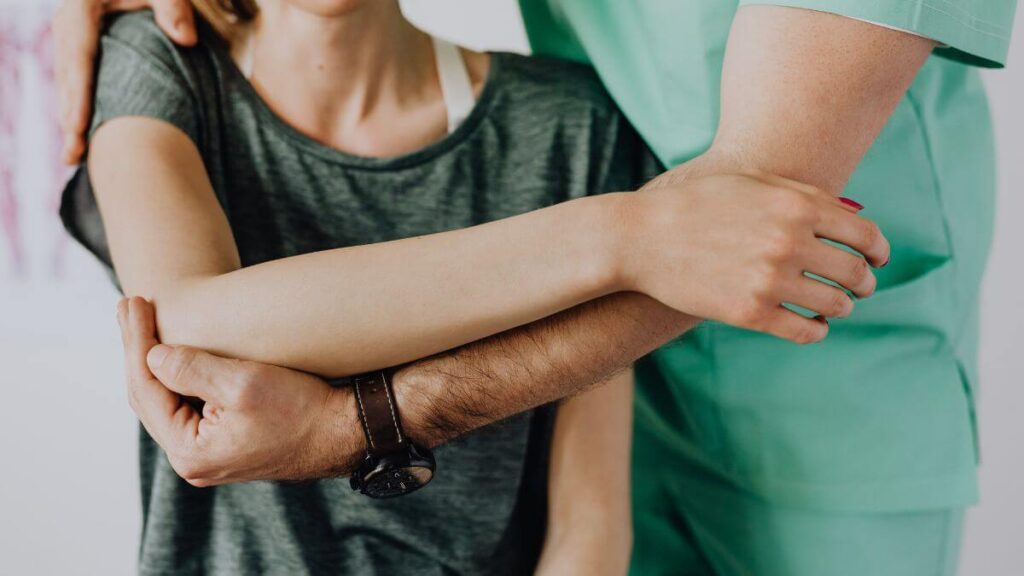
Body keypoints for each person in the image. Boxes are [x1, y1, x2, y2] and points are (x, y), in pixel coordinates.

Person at [55, 1, 887, 575]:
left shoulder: (571, 122)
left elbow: (588, 528)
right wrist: (624, 235)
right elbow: (192, 327)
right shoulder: (160, 60)